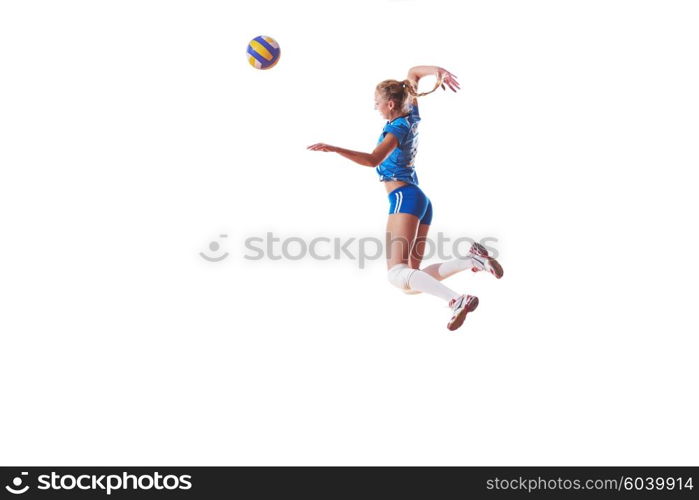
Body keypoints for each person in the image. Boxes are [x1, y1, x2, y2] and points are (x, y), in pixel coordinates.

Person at [308, 65, 503, 331]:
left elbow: (373, 159)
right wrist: (436, 71)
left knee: (396, 273)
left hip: (404, 198)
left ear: (389, 104)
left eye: (376, 103)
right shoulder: (410, 114)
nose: (374, 107)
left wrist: (333, 148)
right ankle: (471, 260)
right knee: (411, 279)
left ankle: (456, 300)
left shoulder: (397, 128)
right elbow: (412, 73)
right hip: (419, 201)